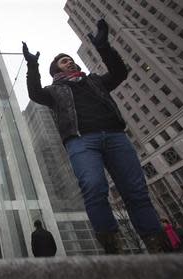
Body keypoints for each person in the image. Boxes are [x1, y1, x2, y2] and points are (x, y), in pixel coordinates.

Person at [23, 18, 164, 254]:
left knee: (135, 191)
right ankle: (112, 246)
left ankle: (156, 244)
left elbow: (120, 72)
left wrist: (103, 47)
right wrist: (32, 67)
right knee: (93, 186)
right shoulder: (54, 91)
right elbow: (35, 93)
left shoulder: (95, 81)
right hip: (81, 141)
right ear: (56, 69)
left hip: (116, 137)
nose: (69, 62)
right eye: (63, 61)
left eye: (70, 59)